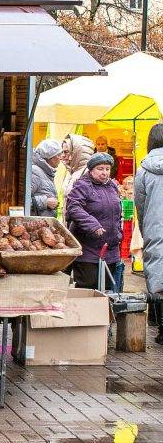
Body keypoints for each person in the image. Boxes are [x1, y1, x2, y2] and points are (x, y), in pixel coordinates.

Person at [66, 152, 124, 292]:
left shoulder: (112, 186)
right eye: (100, 169)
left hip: (109, 250)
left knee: (109, 290)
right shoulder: (82, 186)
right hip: (88, 251)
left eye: (107, 169)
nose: (104, 172)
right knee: (88, 289)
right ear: (91, 170)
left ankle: (103, 314)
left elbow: (116, 214)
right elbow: (73, 207)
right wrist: (93, 225)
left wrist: (118, 234)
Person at [134, 123, 163, 344]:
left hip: (156, 227)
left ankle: (162, 329)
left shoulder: (143, 170)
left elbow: (140, 204)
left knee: (159, 278)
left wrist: (146, 230)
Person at [62, 134, 95, 222]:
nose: (62, 155)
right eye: (62, 152)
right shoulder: (71, 172)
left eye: (66, 152)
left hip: (80, 227)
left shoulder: (88, 173)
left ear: (76, 152)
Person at [31, 139, 64, 217]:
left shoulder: (46, 171)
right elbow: (22, 200)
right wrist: (45, 202)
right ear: (49, 157)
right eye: (58, 155)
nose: (61, 158)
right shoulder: (35, 172)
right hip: (36, 225)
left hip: (43, 224)